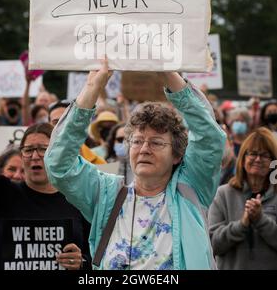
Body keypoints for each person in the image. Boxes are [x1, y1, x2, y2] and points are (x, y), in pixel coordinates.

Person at [45, 60, 226, 270]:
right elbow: (59, 166)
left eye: (156, 142)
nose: (144, 149)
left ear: (177, 155)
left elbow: (210, 136)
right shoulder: (106, 195)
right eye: (137, 141)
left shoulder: (192, 188)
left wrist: (167, 72)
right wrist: (92, 88)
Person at [0, 85, 91, 271]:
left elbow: (98, 256)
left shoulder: (79, 200)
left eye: (43, 149)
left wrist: (82, 263)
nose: (35, 156)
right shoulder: (2, 193)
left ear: (57, 154)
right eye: (28, 150)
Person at [208, 127, 277, 270]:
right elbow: (212, 244)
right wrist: (242, 224)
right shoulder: (223, 194)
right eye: (253, 154)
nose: (258, 159)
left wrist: (260, 220)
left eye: (265, 155)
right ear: (243, 158)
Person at [48, 101, 106, 165]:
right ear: (48, 125)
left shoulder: (100, 163)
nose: (62, 126)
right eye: (56, 122)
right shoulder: (40, 160)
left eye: (66, 121)